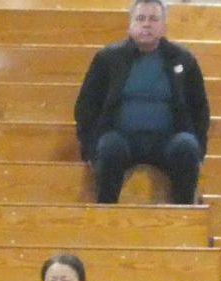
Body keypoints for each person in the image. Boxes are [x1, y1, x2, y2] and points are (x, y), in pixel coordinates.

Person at [76, 0, 209, 206]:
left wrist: (200, 148)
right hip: (122, 139)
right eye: (141, 19)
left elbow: (200, 108)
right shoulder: (108, 59)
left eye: (154, 19)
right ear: (130, 25)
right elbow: (86, 106)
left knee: (187, 146)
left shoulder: (183, 59)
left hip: (168, 140)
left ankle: (185, 220)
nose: (147, 24)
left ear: (164, 26)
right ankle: (104, 217)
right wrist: (90, 148)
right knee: (108, 147)